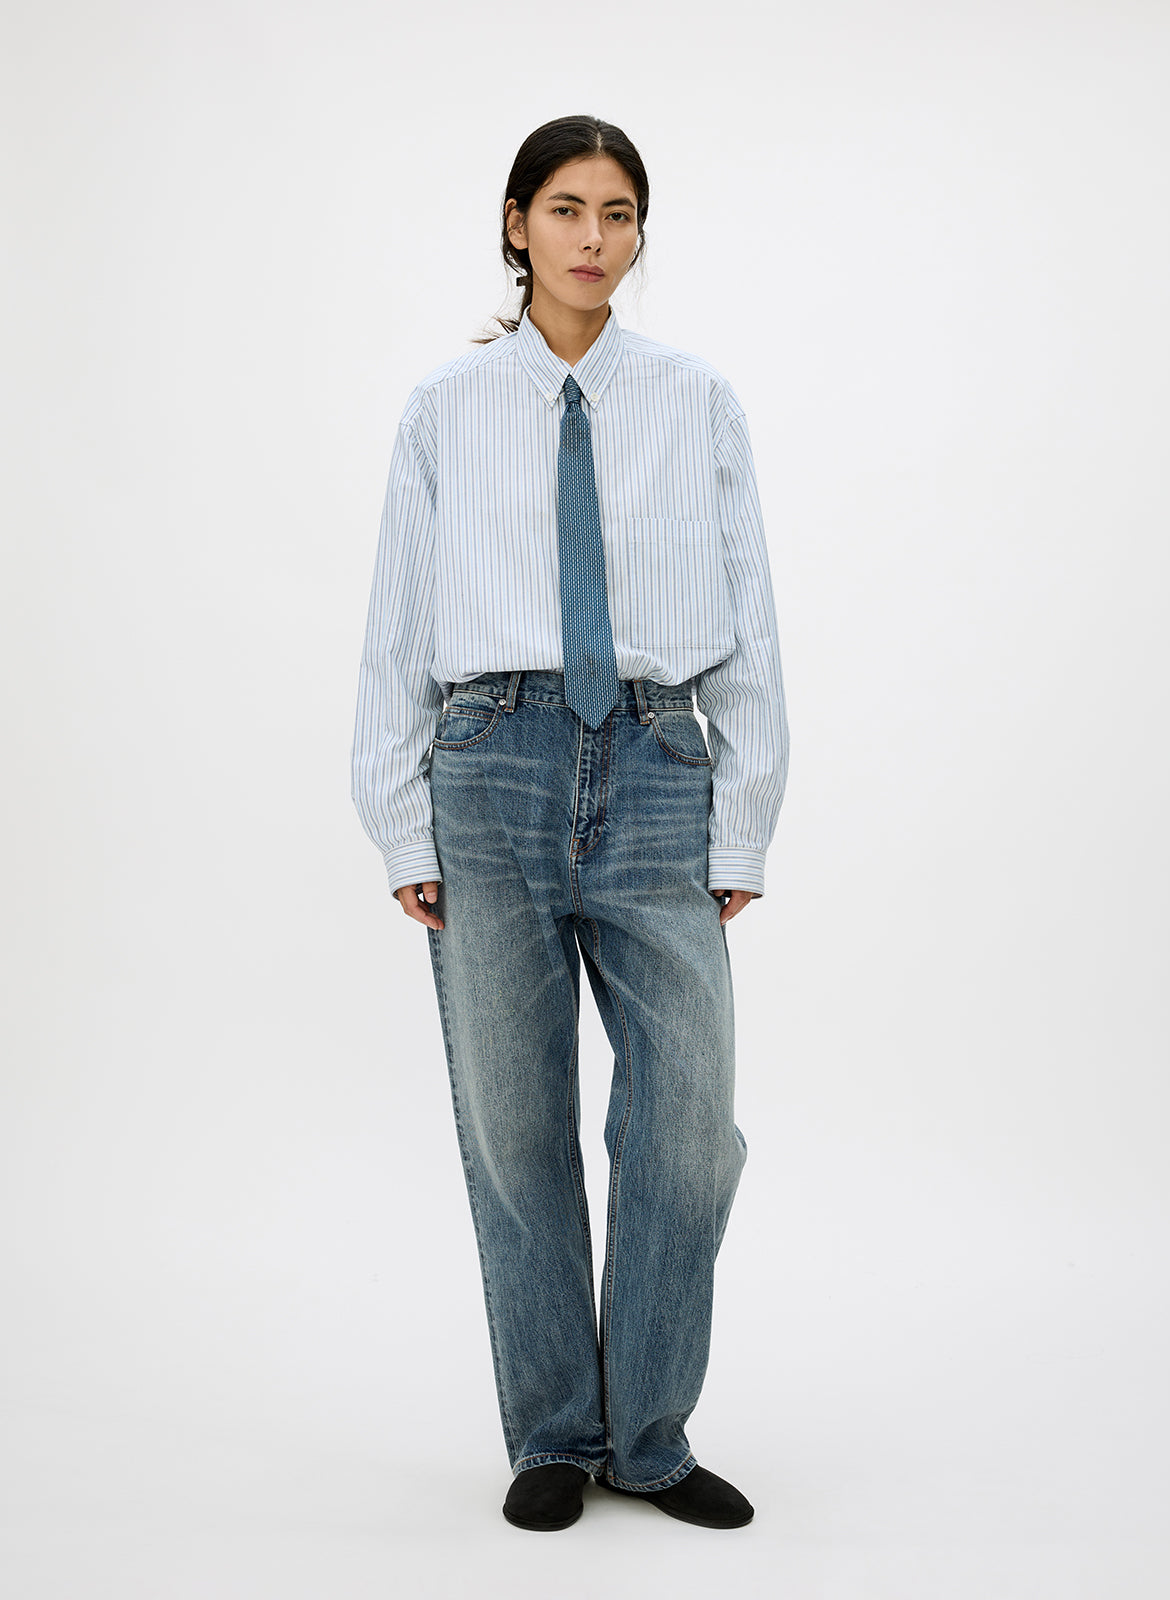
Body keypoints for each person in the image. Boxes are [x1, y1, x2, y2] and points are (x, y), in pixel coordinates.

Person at [351, 114, 788, 1533]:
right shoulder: (446, 408)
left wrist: (742, 820)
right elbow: (400, 618)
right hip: (490, 764)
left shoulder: (697, 400)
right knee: (513, 1123)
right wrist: (402, 821)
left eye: (618, 213)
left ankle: (649, 1438)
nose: (594, 239)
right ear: (516, 223)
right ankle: (553, 1432)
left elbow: (750, 619)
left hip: (659, 762)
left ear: (638, 232)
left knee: (688, 1127)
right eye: (566, 209)